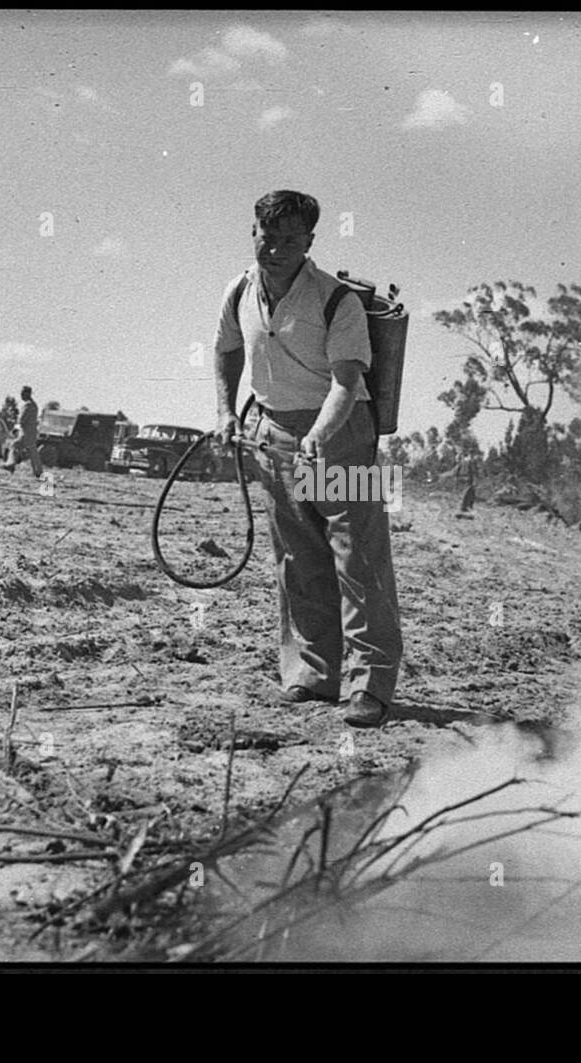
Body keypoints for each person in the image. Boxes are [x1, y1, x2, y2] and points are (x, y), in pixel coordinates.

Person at [213, 189, 402, 728]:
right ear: (253, 232)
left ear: (309, 242)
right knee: (297, 557)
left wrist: (320, 434)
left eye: (289, 240)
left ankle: (369, 687)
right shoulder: (238, 293)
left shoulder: (334, 299)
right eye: (266, 237)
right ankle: (313, 675)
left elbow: (347, 381)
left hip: (343, 433)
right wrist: (226, 413)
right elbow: (227, 351)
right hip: (273, 432)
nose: (274, 249)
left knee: (358, 558)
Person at [2, 385, 42, 477]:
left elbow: (22, 420)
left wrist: (15, 415)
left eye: (22, 393)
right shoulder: (34, 405)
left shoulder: (27, 405)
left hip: (26, 432)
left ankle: (10, 464)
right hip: (32, 432)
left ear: (27, 394)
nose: (21, 395)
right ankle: (38, 472)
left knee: (14, 445)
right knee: (33, 452)